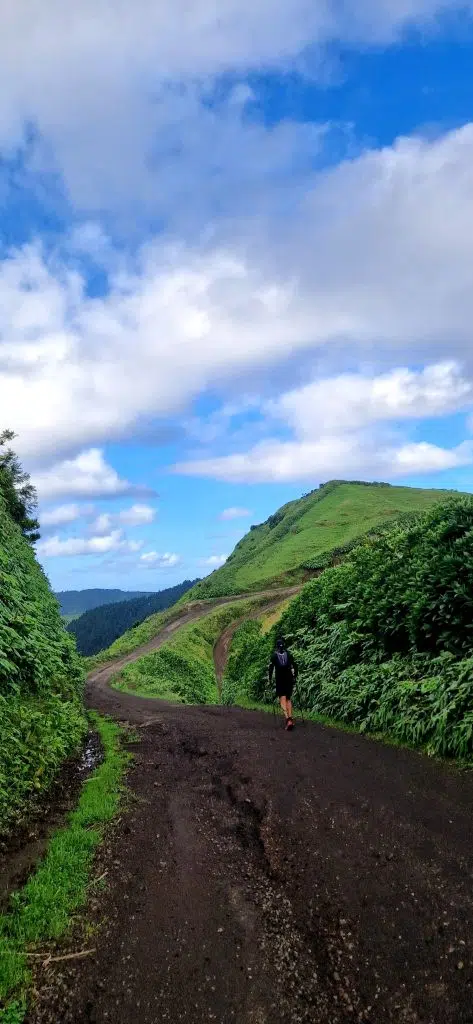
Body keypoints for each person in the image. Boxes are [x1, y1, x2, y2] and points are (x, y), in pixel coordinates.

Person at [269, 638, 298, 730]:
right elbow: (295, 665)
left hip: (280, 680)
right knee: (288, 699)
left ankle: (287, 719)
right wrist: (295, 676)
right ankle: (291, 717)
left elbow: (270, 668)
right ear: (284, 646)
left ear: (276, 647)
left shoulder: (274, 656)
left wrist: (269, 679)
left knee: (282, 698)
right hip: (289, 679)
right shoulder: (289, 654)